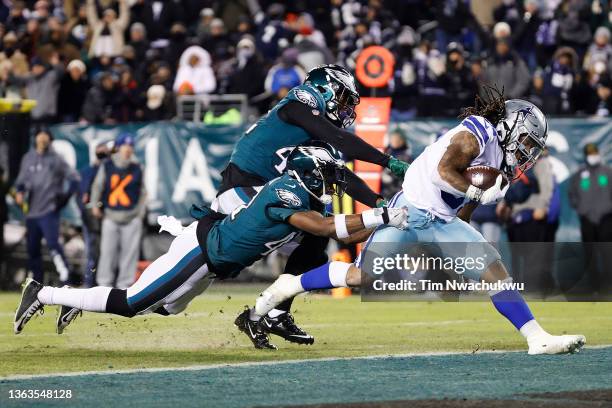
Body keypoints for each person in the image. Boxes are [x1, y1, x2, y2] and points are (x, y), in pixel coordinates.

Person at [249, 95, 586, 355]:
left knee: (494, 270)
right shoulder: (477, 133)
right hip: (407, 213)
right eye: (526, 142)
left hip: (442, 221)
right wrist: (473, 191)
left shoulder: (500, 162)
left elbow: (464, 207)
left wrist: (456, 249)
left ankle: (537, 338)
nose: (526, 152)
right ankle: (290, 284)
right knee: (359, 276)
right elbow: (444, 173)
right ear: (511, 127)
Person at [14, 143, 408, 348]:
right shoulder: (288, 191)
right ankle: (45, 292)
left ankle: (70, 298)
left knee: (166, 307)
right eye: (330, 174)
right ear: (310, 172)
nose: (334, 181)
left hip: (214, 259)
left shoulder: (305, 197)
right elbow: (324, 228)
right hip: (203, 249)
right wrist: (380, 216)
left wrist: (386, 219)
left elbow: (339, 232)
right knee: (134, 303)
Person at [214, 64, 409, 345]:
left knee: (315, 250)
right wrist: (386, 161)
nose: (344, 108)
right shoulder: (299, 102)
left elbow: (340, 175)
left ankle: (275, 312)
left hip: (266, 192)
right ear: (324, 87)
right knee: (321, 227)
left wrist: (377, 201)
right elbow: (340, 139)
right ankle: (267, 312)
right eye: (342, 99)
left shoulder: (312, 135)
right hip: (243, 189)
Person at [14, 129, 79, 284]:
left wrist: (64, 198)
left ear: (50, 140)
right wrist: (20, 192)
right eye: (40, 136)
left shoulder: (56, 159)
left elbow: (75, 178)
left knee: (53, 244)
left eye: (46, 137)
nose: (42, 140)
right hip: (32, 212)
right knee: (32, 248)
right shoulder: (28, 158)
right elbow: (21, 182)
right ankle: (37, 282)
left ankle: (65, 277)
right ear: (35, 139)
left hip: (49, 210)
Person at [90, 133, 145, 289]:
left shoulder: (137, 166)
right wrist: (95, 205)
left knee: (129, 255)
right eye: (125, 146)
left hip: (131, 216)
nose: (128, 149)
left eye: (130, 146)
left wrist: (140, 214)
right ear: (118, 148)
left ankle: (125, 287)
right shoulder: (107, 165)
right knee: (107, 253)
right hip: (111, 215)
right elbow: (97, 186)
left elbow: (143, 192)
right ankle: (103, 285)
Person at [568, 143, 612, 294]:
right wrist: (581, 209)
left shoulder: (607, 173)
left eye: (595, 153)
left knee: (607, 254)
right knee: (590, 255)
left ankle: (608, 286)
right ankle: (595, 288)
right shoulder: (580, 174)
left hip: (606, 219)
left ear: (598, 154)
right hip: (587, 219)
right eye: (590, 153)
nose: (593, 156)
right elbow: (572, 194)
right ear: (586, 156)